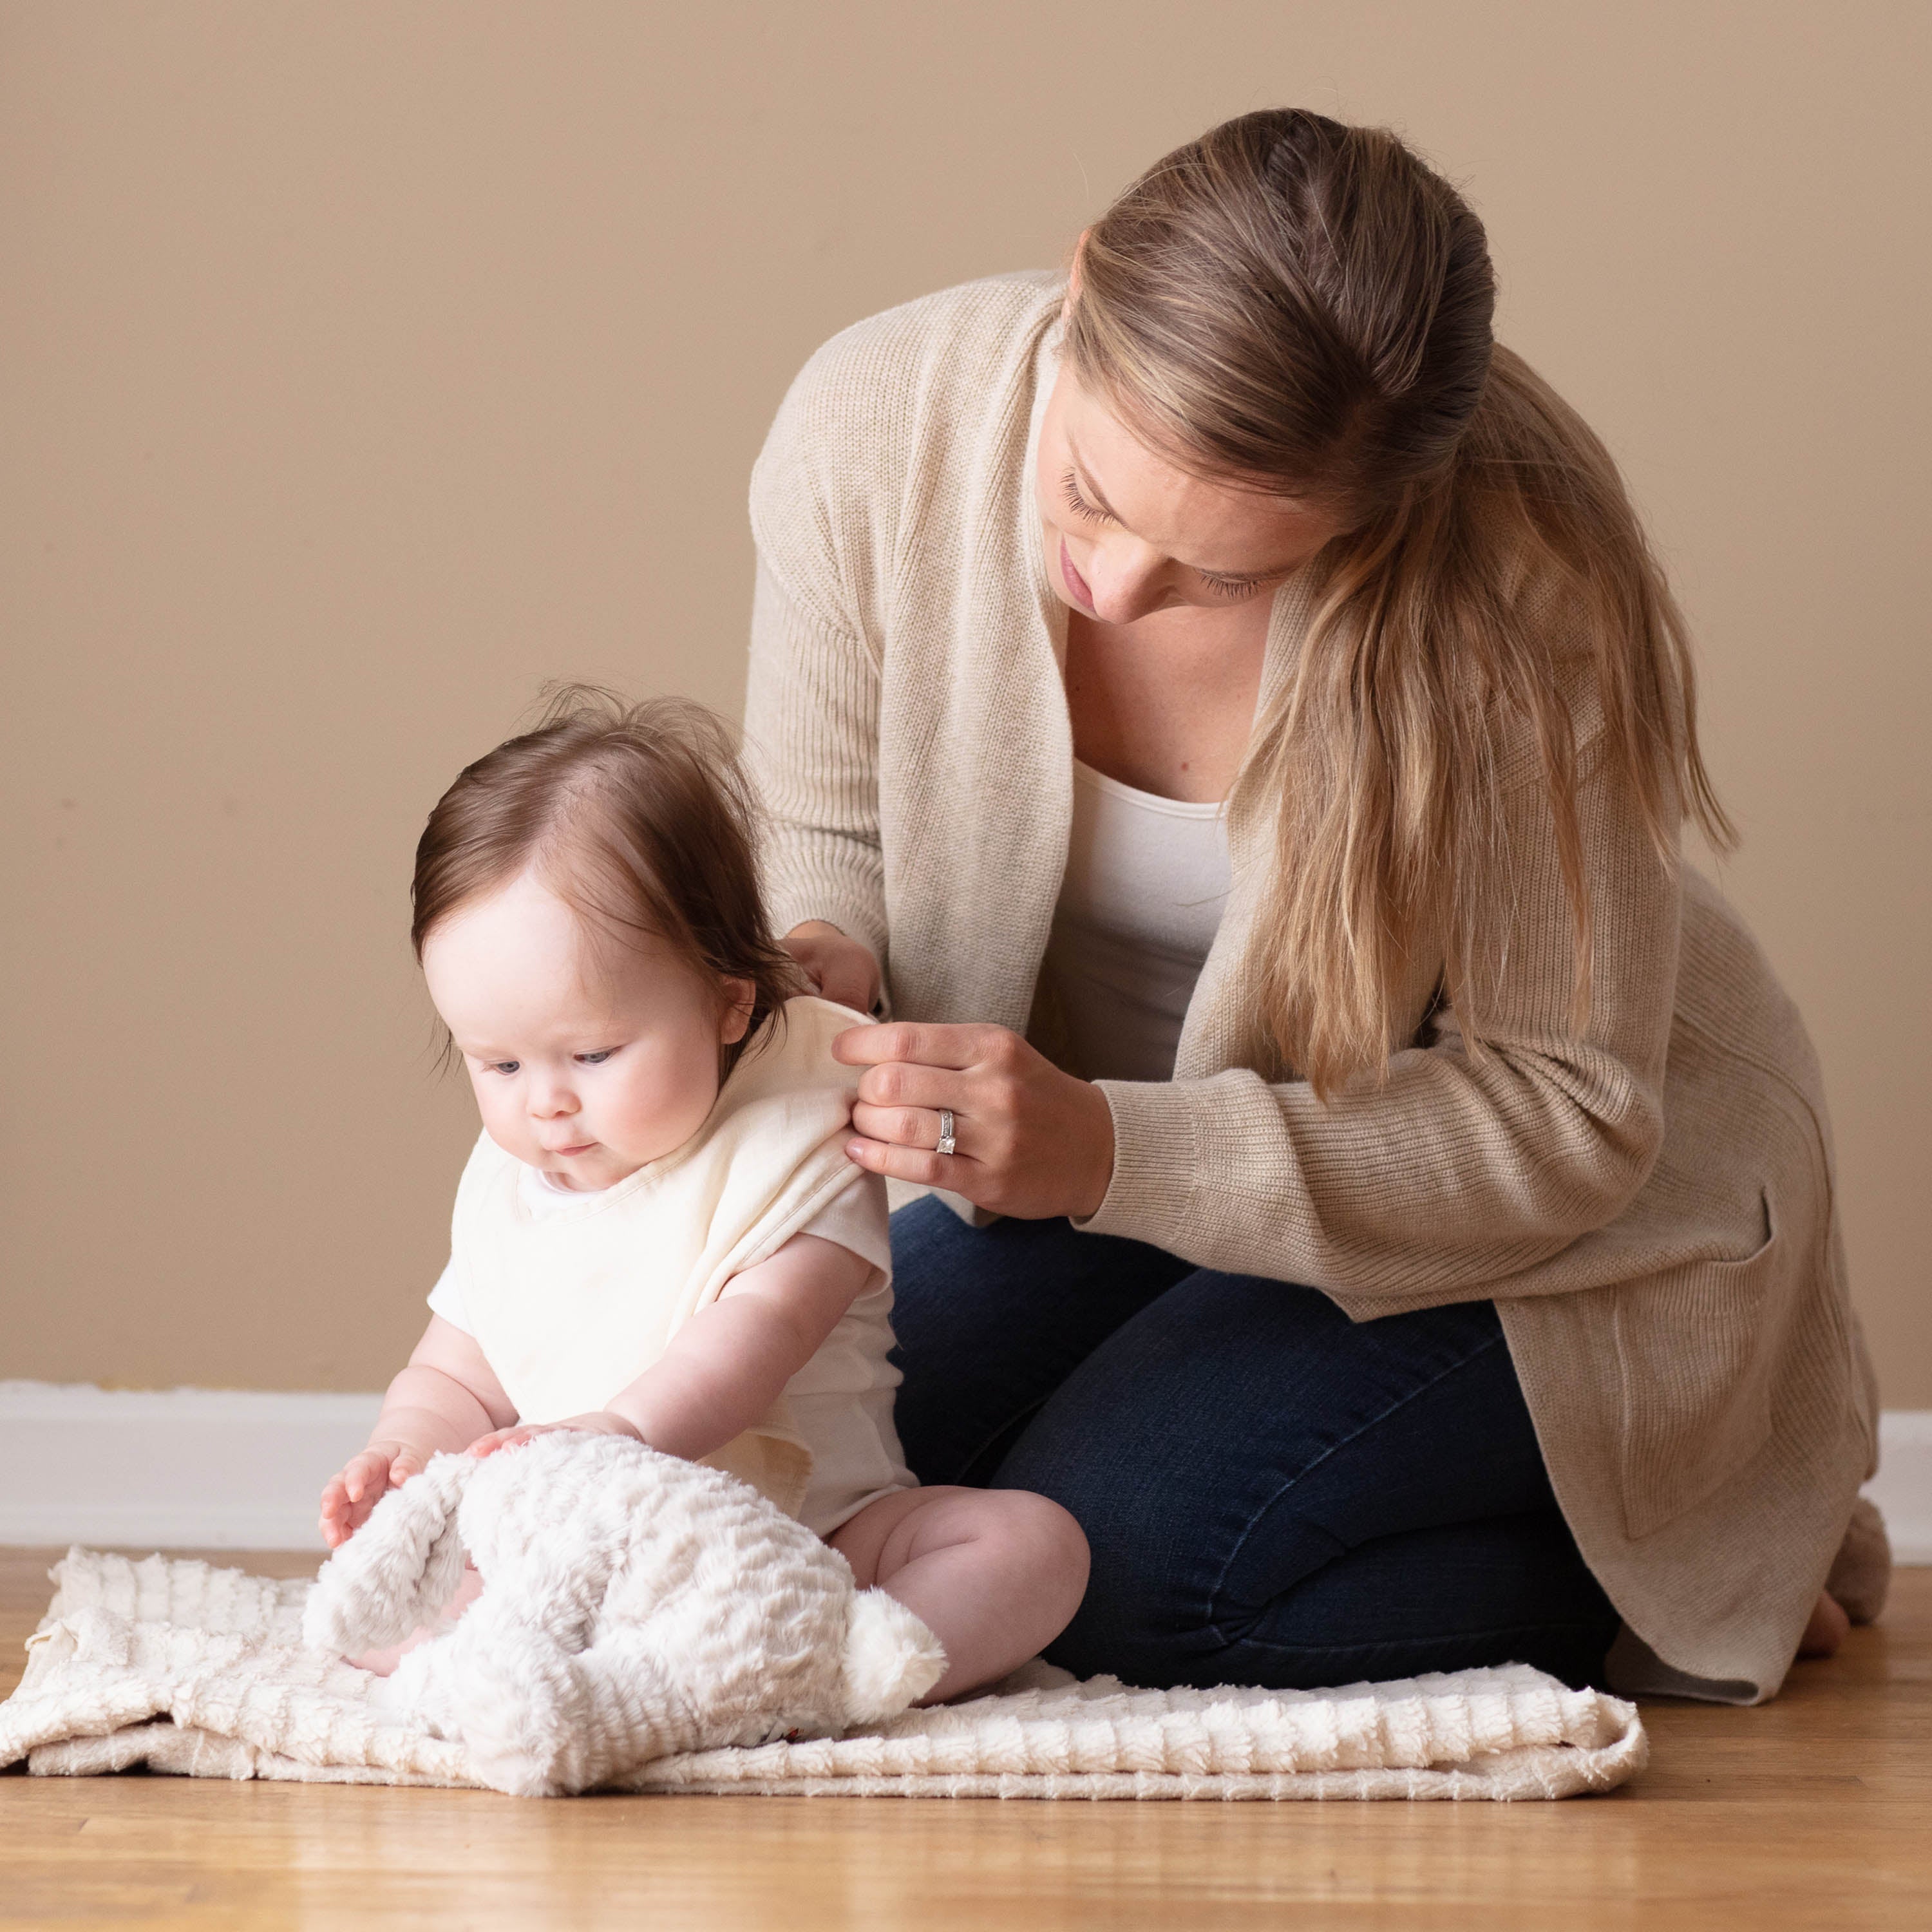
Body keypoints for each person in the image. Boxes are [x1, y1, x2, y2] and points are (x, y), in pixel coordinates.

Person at [744, 108, 1886, 1702]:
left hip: (1568, 1225)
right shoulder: (875, 427)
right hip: (1140, 1178)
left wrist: (1107, 1150)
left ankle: (1702, 1535)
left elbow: (1567, 1116)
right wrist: (820, 979)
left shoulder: (1512, 593)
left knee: (1122, 1584)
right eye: (1088, 493)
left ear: (1375, 516)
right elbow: (823, 844)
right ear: (1081, 284)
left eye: (1221, 574)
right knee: (813, 1476)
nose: (1120, 585)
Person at [316, 691, 1088, 1702]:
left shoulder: (794, 1133)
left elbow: (762, 1328)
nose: (546, 1103)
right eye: (496, 1063)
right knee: (400, 1602)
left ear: (729, 1002)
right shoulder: (521, 1183)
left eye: (592, 1053)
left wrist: (623, 1435)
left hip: (815, 1548)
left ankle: (823, 1671)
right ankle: (584, 1672)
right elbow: (458, 1372)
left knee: (1034, 1545)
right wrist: (399, 1451)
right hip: (587, 1566)